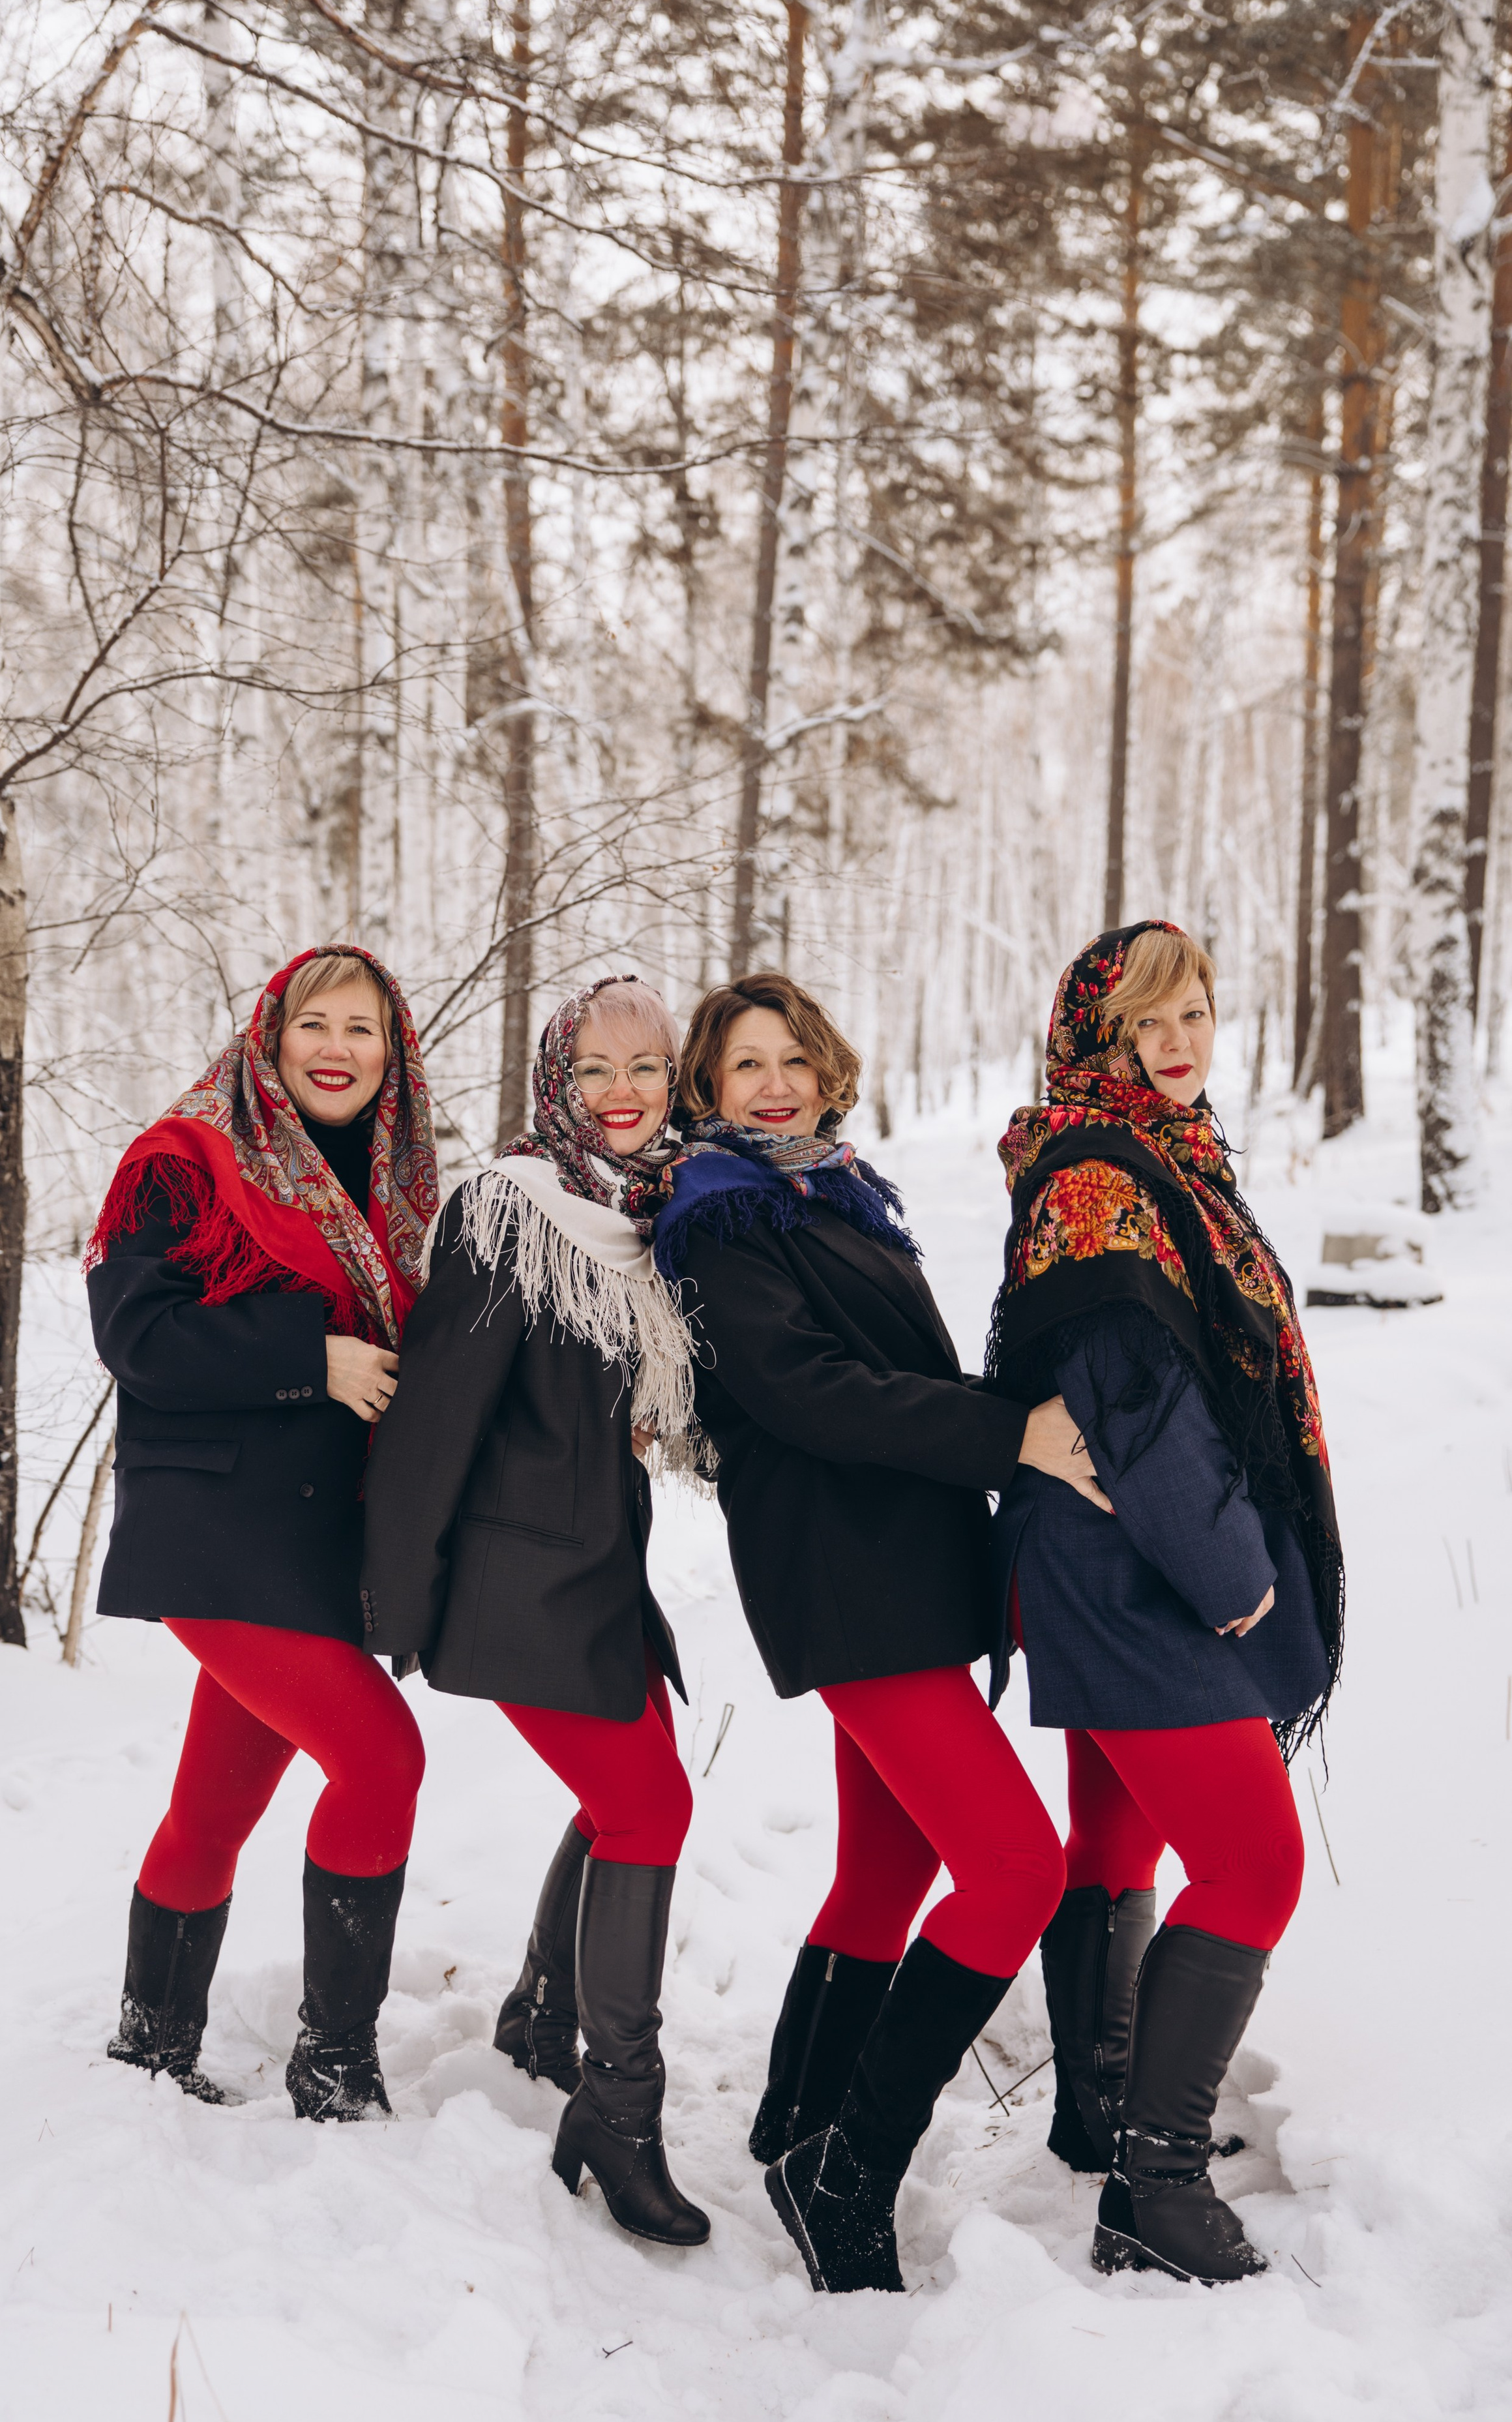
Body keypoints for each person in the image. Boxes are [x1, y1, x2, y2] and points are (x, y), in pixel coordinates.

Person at [655, 970, 1108, 2294]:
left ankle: (792, 2118)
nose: (774, 1080)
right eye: (744, 1065)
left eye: (791, 1056)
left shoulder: (830, 1193)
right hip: (845, 1577)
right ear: (706, 1088)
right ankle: (848, 2170)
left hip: (903, 1569)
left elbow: (886, 1368)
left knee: (885, 1870)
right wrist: (1001, 1430)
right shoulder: (722, 1216)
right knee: (1016, 1870)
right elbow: (810, 1394)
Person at [988, 921, 1340, 2286]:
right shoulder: (1094, 1180)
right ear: (1096, 1037)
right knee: (1252, 1867)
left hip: (1096, 1565)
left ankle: (1100, 2110)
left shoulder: (1153, 1158)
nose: (1178, 1040)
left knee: (1114, 1840)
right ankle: (1156, 2187)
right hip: (1130, 1571)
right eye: (1145, 1022)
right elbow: (1137, 1409)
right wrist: (1234, 1577)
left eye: (1192, 1011)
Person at [361, 977, 709, 2249]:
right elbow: (434, 1416)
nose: (623, 1095)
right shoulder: (510, 1212)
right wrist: (392, 1605)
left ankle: (537, 2014)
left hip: (596, 1582)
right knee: (650, 1808)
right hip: (518, 1588)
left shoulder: (638, 1218)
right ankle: (619, 2113)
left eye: (649, 1071)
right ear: (556, 1077)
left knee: (632, 1794)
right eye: (597, 1070)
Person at [86, 944, 438, 2120]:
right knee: (382, 1760)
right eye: (315, 1026)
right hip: (220, 1530)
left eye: (364, 1031)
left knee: (213, 1806)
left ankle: (150, 2045)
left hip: (314, 1543)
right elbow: (138, 1340)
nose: (337, 1049)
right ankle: (334, 2063)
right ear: (271, 1035)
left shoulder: (395, 1186)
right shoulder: (185, 1160)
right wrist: (311, 1360)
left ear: (394, 1056)